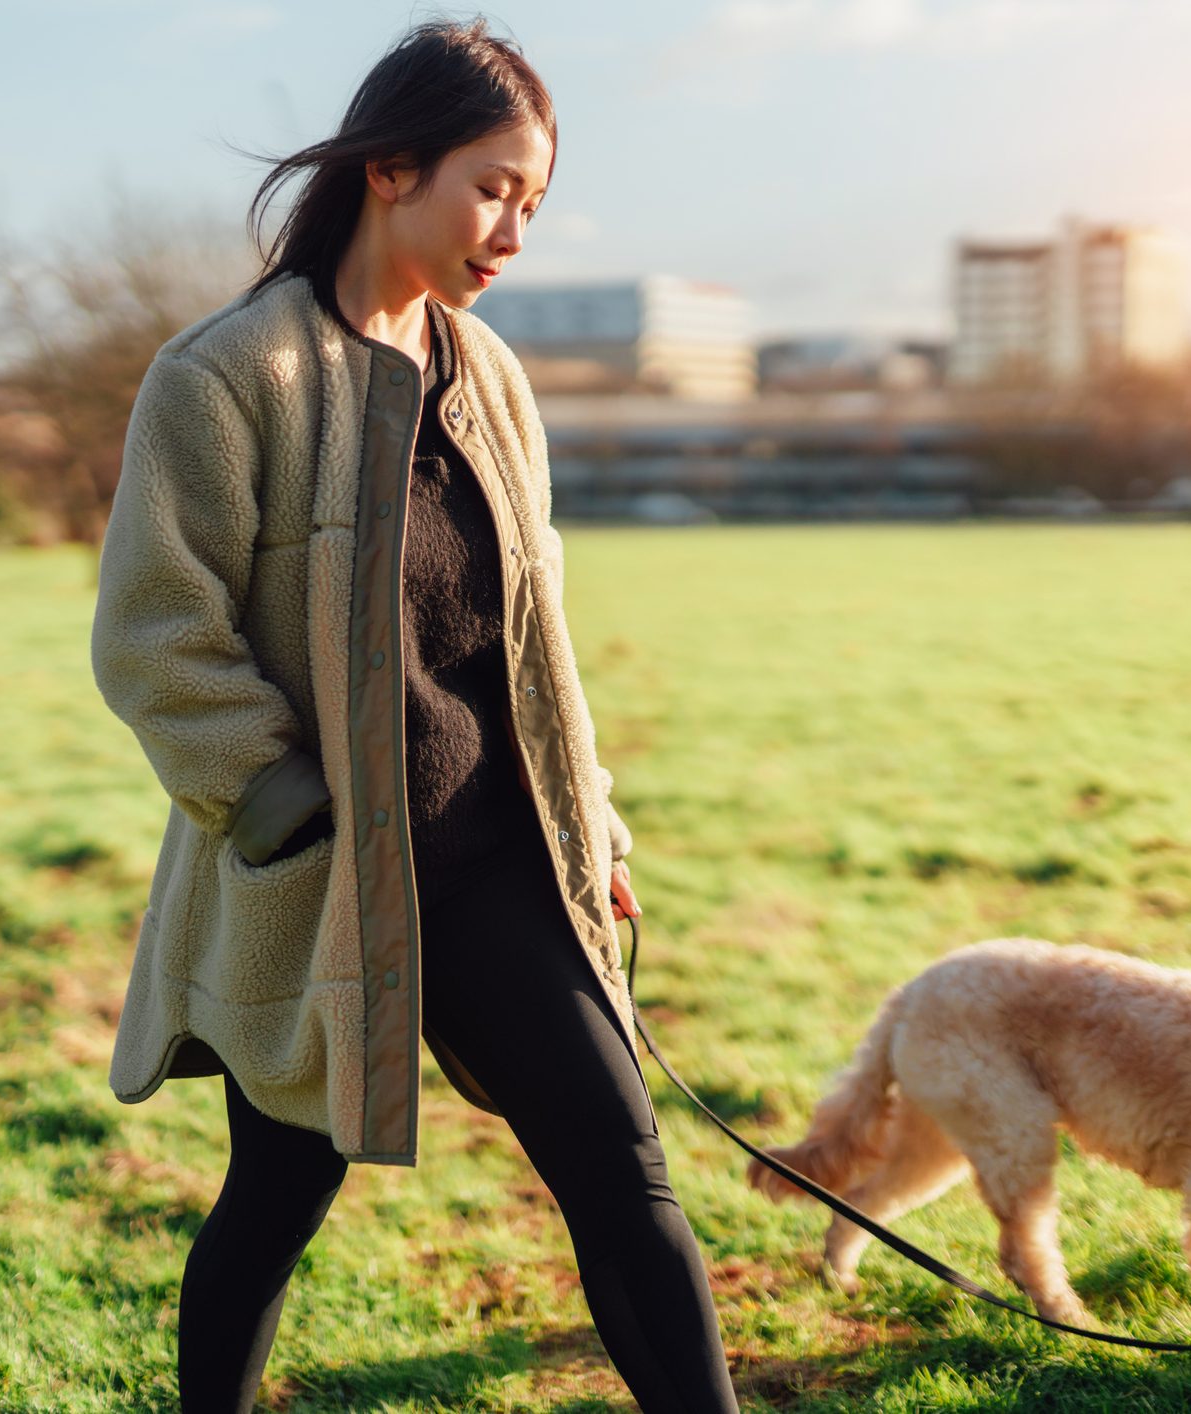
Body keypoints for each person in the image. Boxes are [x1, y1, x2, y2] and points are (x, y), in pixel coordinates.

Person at [87, 17, 742, 1413]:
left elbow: (534, 637)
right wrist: (284, 805)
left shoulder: (492, 377)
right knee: (273, 1198)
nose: (512, 228)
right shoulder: (222, 377)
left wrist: (592, 821)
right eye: (491, 186)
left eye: (534, 201)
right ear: (389, 167)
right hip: (324, 884)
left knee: (626, 1180)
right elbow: (155, 636)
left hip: (501, 869)